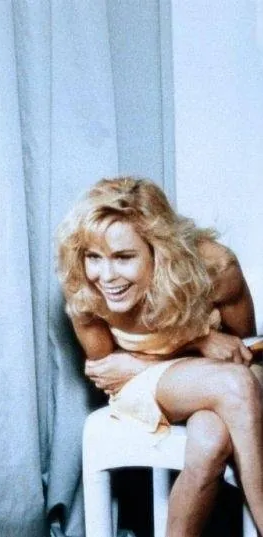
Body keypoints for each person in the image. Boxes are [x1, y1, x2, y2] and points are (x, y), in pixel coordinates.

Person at [56, 176, 263, 537]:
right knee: (235, 385)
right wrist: (195, 345)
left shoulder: (216, 269)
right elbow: (110, 374)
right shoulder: (84, 289)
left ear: (159, 249)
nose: (107, 276)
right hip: (148, 387)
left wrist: (197, 343)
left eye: (124, 257)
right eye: (94, 257)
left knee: (210, 439)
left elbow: (246, 348)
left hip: (216, 376)